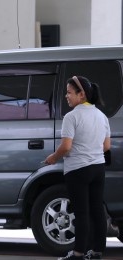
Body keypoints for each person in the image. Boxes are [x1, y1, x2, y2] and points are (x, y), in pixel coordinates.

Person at [43, 76, 110, 260]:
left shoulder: (71, 117)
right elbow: (106, 146)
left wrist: (52, 158)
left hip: (78, 170)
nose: (66, 96)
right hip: (98, 168)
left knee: (81, 212)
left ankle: (78, 253)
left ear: (81, 95)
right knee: (97, 210)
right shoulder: (102, 116)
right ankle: (97, 251)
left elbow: (66, 147)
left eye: (69, 93)